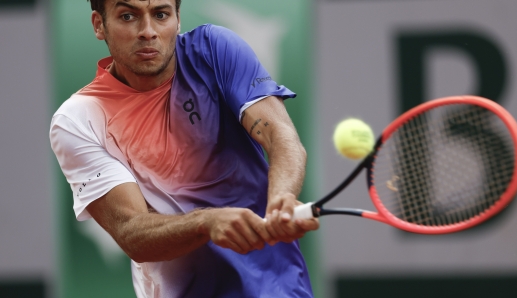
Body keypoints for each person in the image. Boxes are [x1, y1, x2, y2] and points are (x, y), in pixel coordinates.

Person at [50, 0, 319, 297]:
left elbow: (280, 135)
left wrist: (281, 197)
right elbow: (131, 231)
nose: (148, 31)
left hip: (277, 287)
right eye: (128, 16)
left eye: (161, 15)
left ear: (178, 19)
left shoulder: (215, 50)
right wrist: (206, 222)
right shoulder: (79, 118)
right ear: (99, 24)